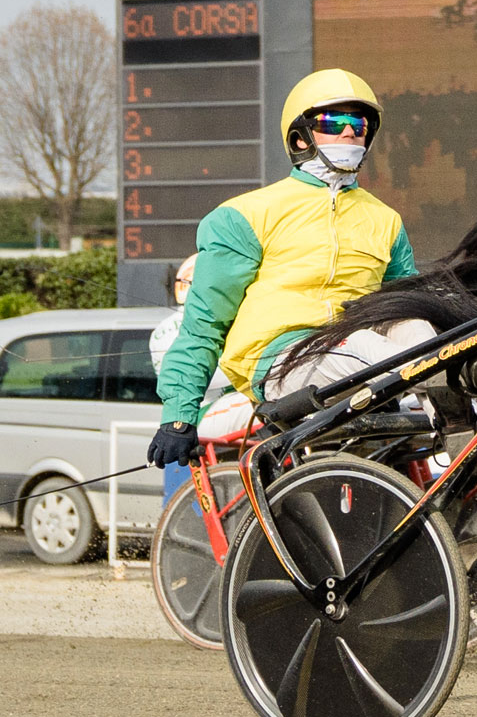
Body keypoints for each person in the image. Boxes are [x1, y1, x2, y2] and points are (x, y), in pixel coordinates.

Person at [146, 69, 420, 469]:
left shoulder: (387, 221)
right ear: (299, 138)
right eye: (333, 123)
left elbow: (404, 307)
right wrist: (178, 416)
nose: (349, 134)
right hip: (282, 363)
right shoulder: (243, 216)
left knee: (419, 329)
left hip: (357, 358)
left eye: (358, 125)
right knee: (365, 345)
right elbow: (202, 325)